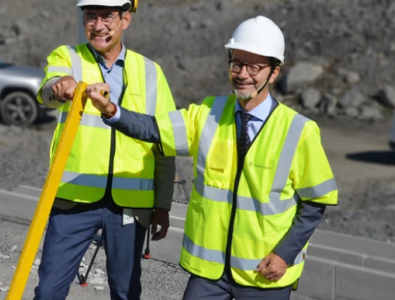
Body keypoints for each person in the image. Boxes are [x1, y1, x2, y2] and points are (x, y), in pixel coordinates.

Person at [82, 16, 339, 300]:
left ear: (274, 72)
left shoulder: (298, 130)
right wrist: (111, 110)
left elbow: (315, 201)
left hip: (264, 275)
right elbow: (154, 128)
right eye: (237, 63)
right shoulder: (208, 113)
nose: (242, 74)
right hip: (209, 275)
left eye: (254, 66)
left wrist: (284, 254)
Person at [33, 0, 178, 299]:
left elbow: (165, 142)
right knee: (48, 291)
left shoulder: (151, 72)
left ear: (126, 19)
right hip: (73, 200)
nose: (98, 26)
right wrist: (61, 85)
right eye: (91, 17)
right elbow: (49, 89)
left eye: (107, 17)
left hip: (129, 207)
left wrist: (162, 205)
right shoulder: (68, 57)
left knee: (126, 292)